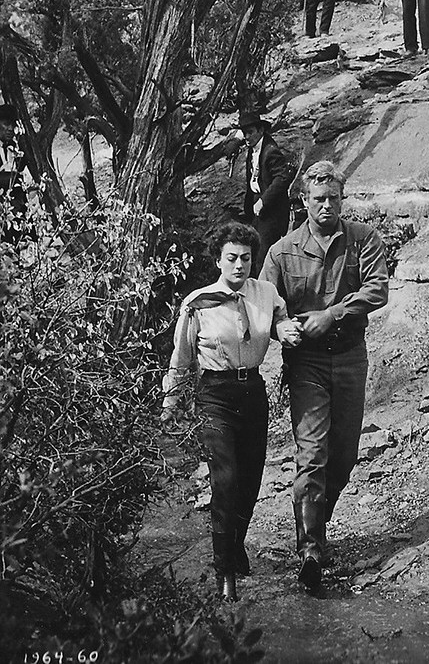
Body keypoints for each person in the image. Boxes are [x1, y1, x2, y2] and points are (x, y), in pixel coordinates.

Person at [260, 161, 389, 593]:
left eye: (334, 197)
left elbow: (377, 290)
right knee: (311, 453)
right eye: (319, 199)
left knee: (345, 453)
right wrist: (283, 326)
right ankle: (310, 548)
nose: (327, 205)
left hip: (350, 356)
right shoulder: (281, 252)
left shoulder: (362, 239)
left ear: (341, 198)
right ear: (304, 201)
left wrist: (330, 315)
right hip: (307, 364)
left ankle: (317, 520)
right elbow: (264, 299)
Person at [163, 222, 301, 602]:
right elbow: (182, 358)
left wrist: (285, 329)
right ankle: (224, 569)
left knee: (251, 481)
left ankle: (235, 541)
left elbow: (278, 323)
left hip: (253, 392)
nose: (239, 265)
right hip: (215, 395)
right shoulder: (197, 303)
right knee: (224, 481)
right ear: (218, 261)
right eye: (231, 258)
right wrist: (170, 403)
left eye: (246, 258)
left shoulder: (266, 293)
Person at [238, 109, 296, 271]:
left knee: (264, 254)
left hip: (271, 210)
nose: (247, 137)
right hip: (256, 205)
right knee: (252, 249)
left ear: (261, 130)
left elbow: (282, 178)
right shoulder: (253, 147)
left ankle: (266, 291)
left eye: (250, 132)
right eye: (244, 133)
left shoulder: (271, 151)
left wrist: (263, 201)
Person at [0, 103, 29, 243]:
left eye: (12, 124)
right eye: (6, 124)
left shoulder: (12, 147)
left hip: (15, 206)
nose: (10, 128)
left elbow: (20, 167)